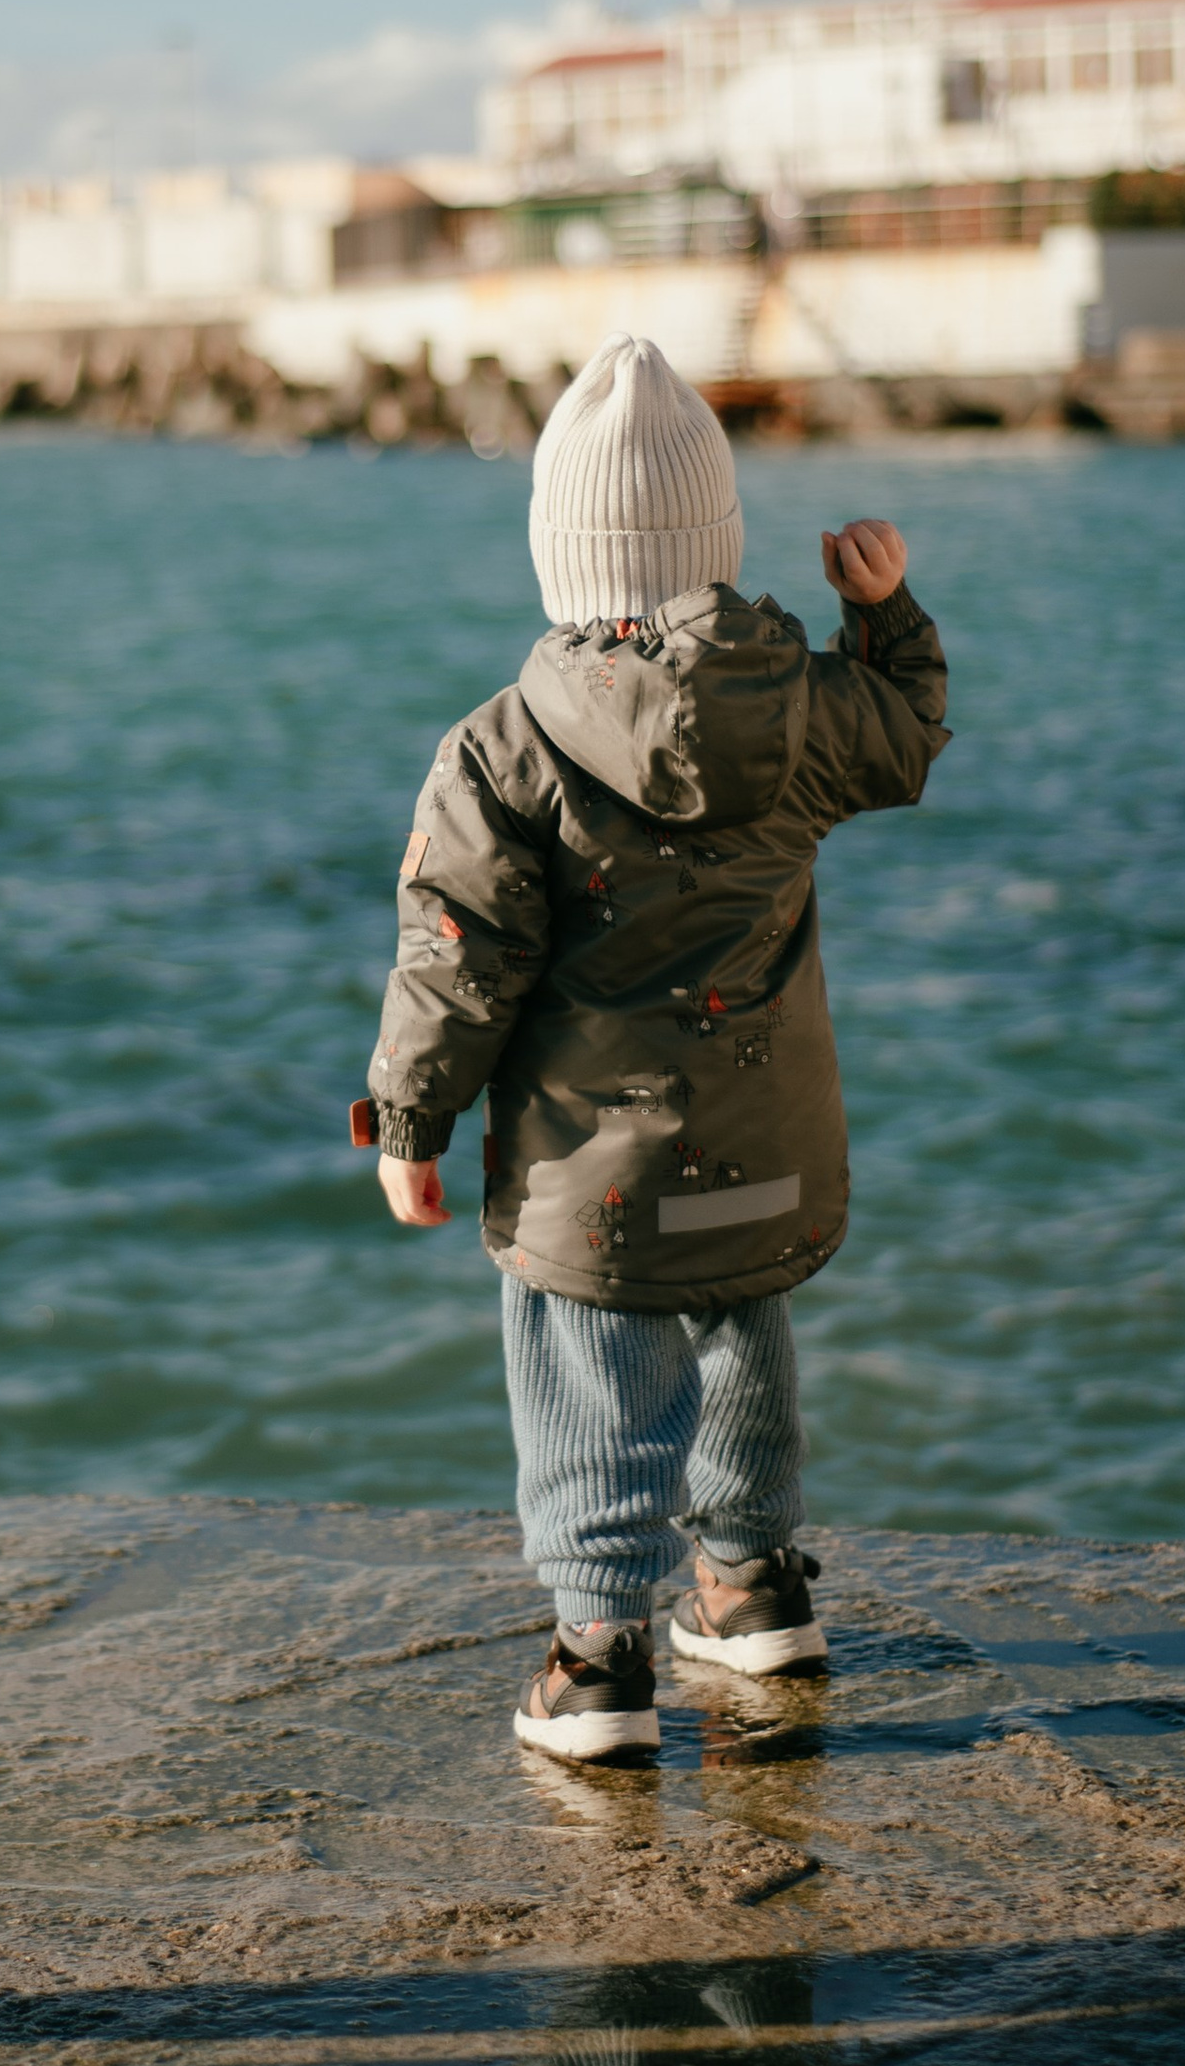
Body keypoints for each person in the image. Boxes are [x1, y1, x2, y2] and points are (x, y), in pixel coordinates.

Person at [354, 333, 950, 1764]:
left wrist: (410, 1123)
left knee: (587, 1367)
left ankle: (599, 1658)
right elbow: (909, 736)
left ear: (562, 558)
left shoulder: (505, 748)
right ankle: (752, 1588)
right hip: (766, 1145)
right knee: (742, 1323)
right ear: (716, 544)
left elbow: (457, 957)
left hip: (590, 1166)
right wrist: (885, 613)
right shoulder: (804, 701)